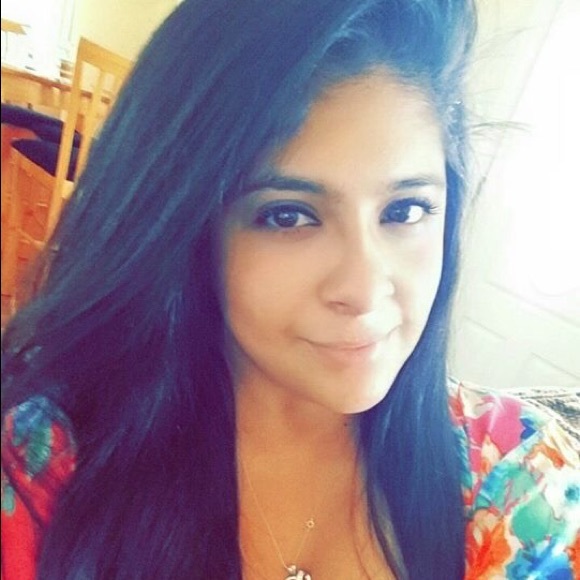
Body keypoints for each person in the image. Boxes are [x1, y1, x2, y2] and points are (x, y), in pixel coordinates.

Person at [1, 0, 578, 578]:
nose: (364, 290)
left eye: (405, 210)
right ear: (189, 229)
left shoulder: (521, 485)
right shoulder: (48, 463)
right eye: (288, 216)